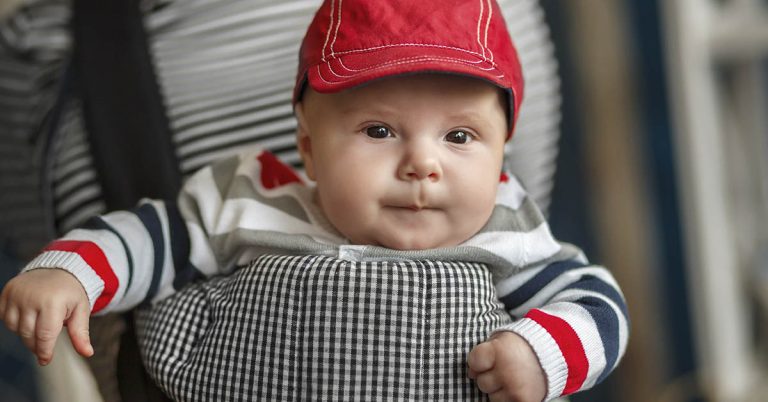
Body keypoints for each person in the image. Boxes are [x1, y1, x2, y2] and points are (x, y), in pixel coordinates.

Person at [1, 0, 628, 401]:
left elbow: (595, 303)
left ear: (501, 155)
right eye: (378, 130)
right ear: (308, 145)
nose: (423, 163)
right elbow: (150, 237)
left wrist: (542, 353)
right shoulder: (255, 198)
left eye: (460, 136)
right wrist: (72, 272)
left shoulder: (505, 226)